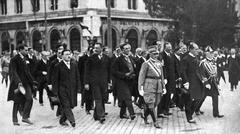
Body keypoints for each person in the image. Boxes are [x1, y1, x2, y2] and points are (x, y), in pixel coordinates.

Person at [7, 45, 37, 125]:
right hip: (18, 84)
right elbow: (13, 72)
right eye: (26, 50)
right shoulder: (14, 59)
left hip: (26, 83)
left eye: (27, 50)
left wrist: (33, 81)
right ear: (20, 50)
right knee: (17, 101)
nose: (27, 52)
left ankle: (25, 117)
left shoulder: (25, 58)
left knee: (29, 99)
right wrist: (18, 82)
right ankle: (15, 120)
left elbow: (27, 72)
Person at [138, 46, 166, 129]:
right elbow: (141, 76)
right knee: (151, 103)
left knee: (155, 103)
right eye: (154, 54)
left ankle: (145, 115)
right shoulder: (146, 64)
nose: (156, 55)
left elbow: (162, 76)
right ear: (150, 54)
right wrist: (141, 88)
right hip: (149, 85)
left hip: (158, 85)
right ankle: (155, 122)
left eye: (157, 54)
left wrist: (164, 86)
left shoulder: (159, 63)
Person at [84, 43, 111, 123]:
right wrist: (86, 83)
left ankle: (96, 115)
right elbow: (87, 71)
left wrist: (109, 81)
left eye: (97, 48)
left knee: (102, 98)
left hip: (104, 82)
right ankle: (101, 116)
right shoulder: (91, 58)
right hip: (94, 82)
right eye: (95, 48)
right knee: (98, 98)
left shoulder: (106, 58)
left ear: (101, 48)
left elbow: (108, 71)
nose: (95, 49)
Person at [53, 50, 80, 127]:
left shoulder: (74, 64)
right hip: (62, 89)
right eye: (66, 54)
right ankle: (72, 120)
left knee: (71, 105)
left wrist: (79, 87)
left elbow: (77, 76)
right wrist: (55, 91)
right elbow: (55, 80)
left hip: (72, 89)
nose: (68, 56)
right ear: (62, 56)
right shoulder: (58, 66)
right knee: (66, 105)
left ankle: (62, 120)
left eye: (69, 54)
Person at [195, 46, 224, 118]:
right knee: (202, 97)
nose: (211, 54)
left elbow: (215, 73)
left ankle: (216, 113)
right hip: (206, 83)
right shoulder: (203, 63)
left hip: (213, 83)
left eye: (212, 52)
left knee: (215, 97)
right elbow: (202, 74)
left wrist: (217, 83)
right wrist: (206, 83)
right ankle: (196, 109)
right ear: (206, 54)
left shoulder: (214, 61)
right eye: (210, 53)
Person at [112, 43, 136, 120]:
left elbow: (134, 67)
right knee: (128, 97)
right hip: (122, 82)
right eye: (126, 48)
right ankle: (132, 113)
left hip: (131, 81)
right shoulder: (118, 60)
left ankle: (122, 113)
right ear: (122, 50)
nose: (128, 50)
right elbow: (114, 71)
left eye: (129, 48)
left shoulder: (131, 58)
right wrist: (124, 74)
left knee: (125, 97)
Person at [182, 42, 204, 123]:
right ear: (191, 49)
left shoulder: (197, 58)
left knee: (198, 98)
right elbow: (183, 72)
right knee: (189, 100)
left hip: (198, 82)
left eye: (197, 49)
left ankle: (190, 114)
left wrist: (203, 78)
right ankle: (189, 117)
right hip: (190, 83)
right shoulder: (186, 59)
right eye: (196, 49)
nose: (197, 51)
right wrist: (186, 82)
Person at [157, 42, 175, 118]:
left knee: (168, 94)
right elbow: (162, 67)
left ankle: (166, 109)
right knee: (163, 94)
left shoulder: (171, 55)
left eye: (170, 47)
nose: (170, 48)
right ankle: (160, 111)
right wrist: (164, 78)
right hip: (165, 78)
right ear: (165, 47)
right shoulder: (161, 55)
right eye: (168, 47)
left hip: (171, 78)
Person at [78, 48, 94, 114]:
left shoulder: (94, 58)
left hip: (93, 78)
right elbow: (79, 69)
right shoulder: (82, 58)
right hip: (84, 78)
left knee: (92, 93)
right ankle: (87, 108)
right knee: (86, 93)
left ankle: (91, 105)